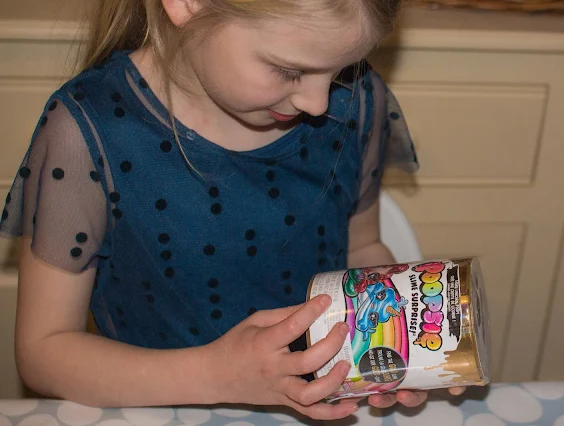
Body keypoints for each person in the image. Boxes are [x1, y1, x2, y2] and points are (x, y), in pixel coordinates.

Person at [0, 0, 464, 420]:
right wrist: (216, 375)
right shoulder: (87, 133)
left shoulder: (358, 100)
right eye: (288, 70)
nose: (319, 103)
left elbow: (361, 246)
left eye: (343, 68)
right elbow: (43, 353)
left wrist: (399, 343)